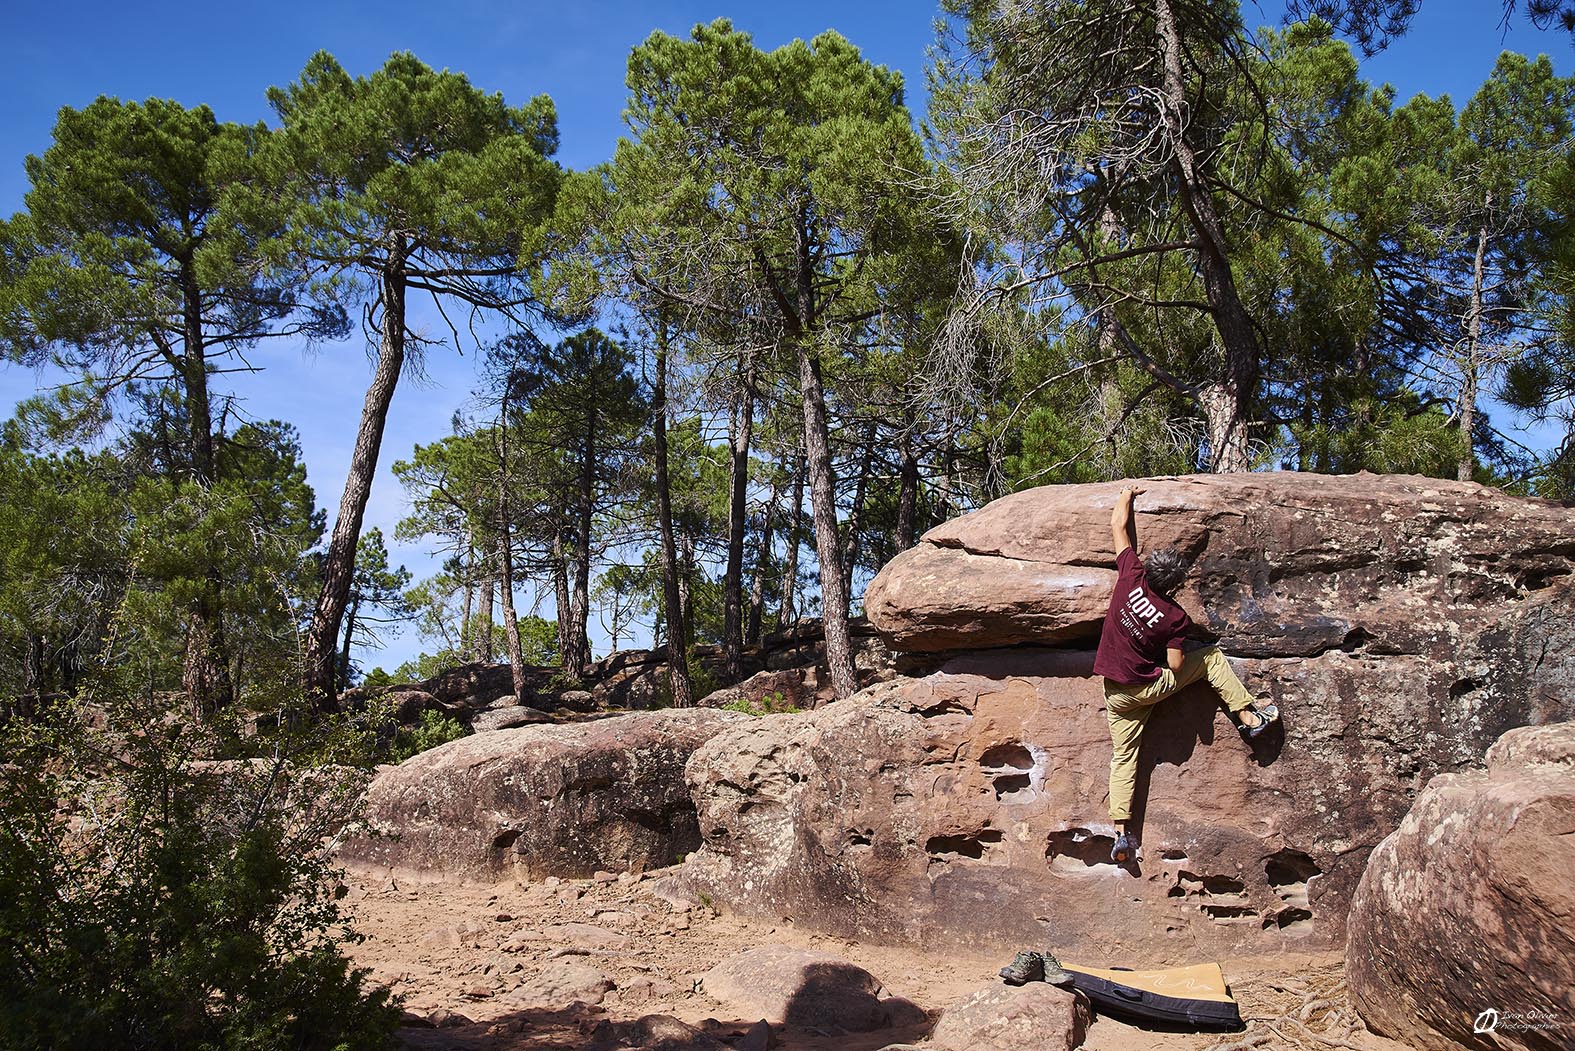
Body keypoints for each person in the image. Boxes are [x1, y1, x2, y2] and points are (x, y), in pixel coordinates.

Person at [1094, 486, 1278, 864]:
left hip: (1116, 689)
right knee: (1209, 658)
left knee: (1124, 757)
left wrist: (1128, 493)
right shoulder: (1175, 617)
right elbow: (1177, 666)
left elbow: (1117, 523)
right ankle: (1249, 717)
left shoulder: (1130, 575)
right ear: (1174, 584)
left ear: (1149, 566)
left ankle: (1121, 834)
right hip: (1148, 685)